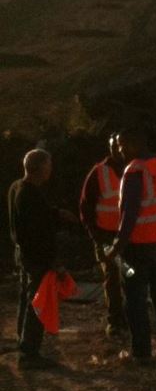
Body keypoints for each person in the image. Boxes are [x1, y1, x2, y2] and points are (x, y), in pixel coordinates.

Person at [109, 126, 156, 362]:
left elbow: (129, 214)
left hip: (138, 248)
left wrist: (116, 247)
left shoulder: (135, 172)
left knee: (135, 299)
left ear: (133, 143)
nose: (118, 150)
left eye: (121, 145)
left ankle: (141, 352)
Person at [8, 148, 75, 367]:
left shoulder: (16, 188)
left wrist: (55, 214)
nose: (51, 170)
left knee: (26, 299)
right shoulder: (31, 194)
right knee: (37, 303)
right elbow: (38, 230)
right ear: (41, 168)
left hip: (23, 253)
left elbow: (32, 218)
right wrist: (53, 261)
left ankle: (23, 341)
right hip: (37, 256)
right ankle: (30, 353)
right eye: (48, 165)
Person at [79, 131, 129, 336]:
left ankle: (130, 317)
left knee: (131, 277)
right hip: (106, 236)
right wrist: (95, 235)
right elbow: (85, 206)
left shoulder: (134, 169)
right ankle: (116, 321)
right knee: (113, 279)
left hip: (130, 235)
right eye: (113, 146)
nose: (117, 149)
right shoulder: (98, 172)